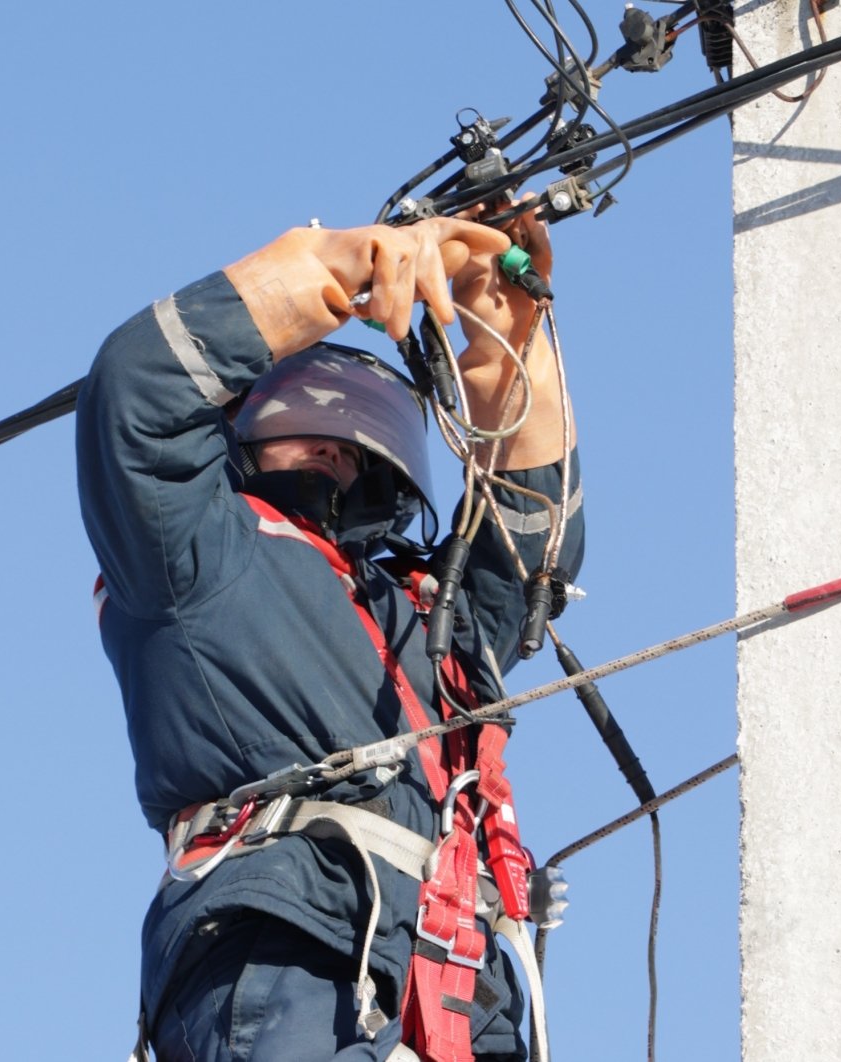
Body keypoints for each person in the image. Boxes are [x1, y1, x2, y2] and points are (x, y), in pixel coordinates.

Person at [77, 213, 584, 1062]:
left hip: (453, 976)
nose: (337, 442)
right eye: (306, 415)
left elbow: (531, 559)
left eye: (361, 431)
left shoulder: (416, 616)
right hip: (290, 937)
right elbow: (139, 392)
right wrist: (325, 271)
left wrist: (509, 341)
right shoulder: (197, 548)